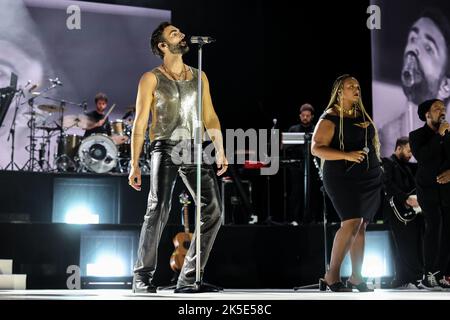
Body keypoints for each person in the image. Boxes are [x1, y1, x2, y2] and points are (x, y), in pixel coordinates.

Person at [128, 22, 228, 293]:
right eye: (175, 34)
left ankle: (189, 277)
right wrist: (134, 163)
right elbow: (140, 123)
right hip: (164, 145)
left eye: (181, 33)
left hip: (193, 147)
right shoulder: (151, 78)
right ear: (162, 45)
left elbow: (209, 116)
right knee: (158, 207)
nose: (182, 36)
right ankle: (142, 276)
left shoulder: (199, 75)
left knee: (214, 210)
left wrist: (219, 148)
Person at [311, 74, 382, 292]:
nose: (356, 88)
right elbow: (316, 148)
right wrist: (347, 155)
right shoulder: (330, 117)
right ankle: (331, 275)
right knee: (350, 222)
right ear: (339, 91)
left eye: (358, 86)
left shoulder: (362, 115)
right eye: (350, 86)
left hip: (369, 177)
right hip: (342, 176)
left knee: (361, 226)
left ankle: (356, 278)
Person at [376, 8, 450, 156]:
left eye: (429, 47)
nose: (414, 47)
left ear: (445, 86)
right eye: (413, 39)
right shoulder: (383, 137)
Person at [409, 98, 450, 290]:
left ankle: (443, 273)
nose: (442, 111)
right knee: (434, 227)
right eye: (437, 109)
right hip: (427, 189)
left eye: (443, 108)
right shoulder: (416, 135)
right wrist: (439, 136)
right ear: (427, 114)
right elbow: (423, 157)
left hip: (448, 190)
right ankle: (429, 274)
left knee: (448, 229)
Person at [381, 137, 423, 289]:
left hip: (408, 212)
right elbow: (387, 184)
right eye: (409, 150)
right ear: (399, 148)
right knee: (406, 245)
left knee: (407, 244)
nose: (411, 154)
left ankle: (401, 278)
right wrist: (406, 198)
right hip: (396, 211)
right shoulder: (388, 163)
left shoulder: (407, 166)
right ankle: (417, 277)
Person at [284, 103, 318, 225]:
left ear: (312, 117)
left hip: (312, 167)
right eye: (303, 115)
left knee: (312, 192)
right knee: (296, 192)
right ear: (300, 116)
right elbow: (286, 148)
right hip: (296, 167)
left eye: (308, 116)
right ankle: (294, 218)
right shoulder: (293, 130)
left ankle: (312, 219)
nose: (305, 118)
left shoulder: (316, 130)